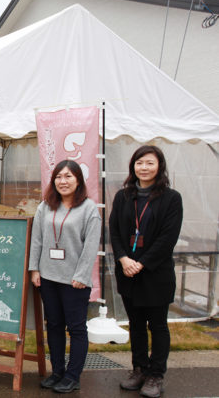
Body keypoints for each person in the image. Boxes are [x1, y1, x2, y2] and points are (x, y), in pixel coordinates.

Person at [109, 146, 183, 398]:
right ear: (133, 167)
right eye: (140, 163)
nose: (144, 168)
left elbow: (168, 237)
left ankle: (155, 375)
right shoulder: (123, 196)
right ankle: (139, 369)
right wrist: (123, 258)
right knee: (136, 324)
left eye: (150, 163)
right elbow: (115, 231)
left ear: (159, 166)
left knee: (158, 325)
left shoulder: (171, 198)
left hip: (155, 273)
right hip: (127, 272)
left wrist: (141, 263)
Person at [29, 160, 101, 394]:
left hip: (74, 281)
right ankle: (57, 371)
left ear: (78, 180)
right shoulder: (45, 206)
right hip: (48, 278)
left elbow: (91, 246)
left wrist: (81, 275)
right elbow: (37, 239)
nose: (63, 181)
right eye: (59, 177)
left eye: (68, 176)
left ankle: (73, 375)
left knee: (77, 329)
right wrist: (34, 269)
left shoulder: (89, 208)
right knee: (55, 326)